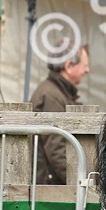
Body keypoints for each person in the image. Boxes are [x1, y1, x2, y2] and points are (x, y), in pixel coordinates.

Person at [30, 45, 89, 185]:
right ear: (69, 66)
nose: (87, 70)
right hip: (50, 190)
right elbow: (57, 151)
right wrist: (80, 184)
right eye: (84, 65)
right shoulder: (52, 96)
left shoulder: (55, 92)